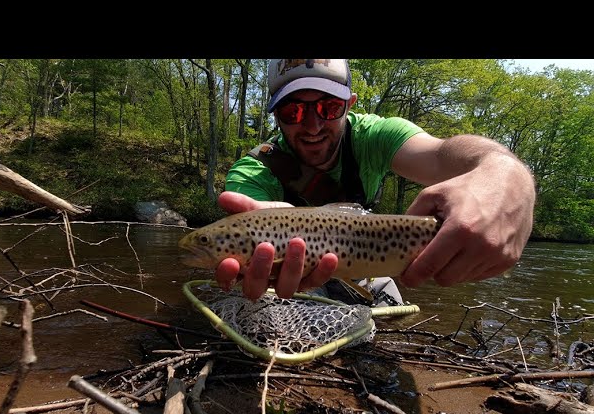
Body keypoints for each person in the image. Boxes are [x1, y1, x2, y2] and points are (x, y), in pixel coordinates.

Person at [214, 58, 536, 304]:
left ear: (349, 105)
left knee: (389, 319)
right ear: (275, 115)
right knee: (258, 302)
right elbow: (241, 239)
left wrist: (504, 171)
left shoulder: (375, 136)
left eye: (329, 107)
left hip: (366, 264)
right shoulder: (253, 170)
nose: (312, 126)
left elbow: (441, 155)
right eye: (293, 112)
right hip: (287, 277)